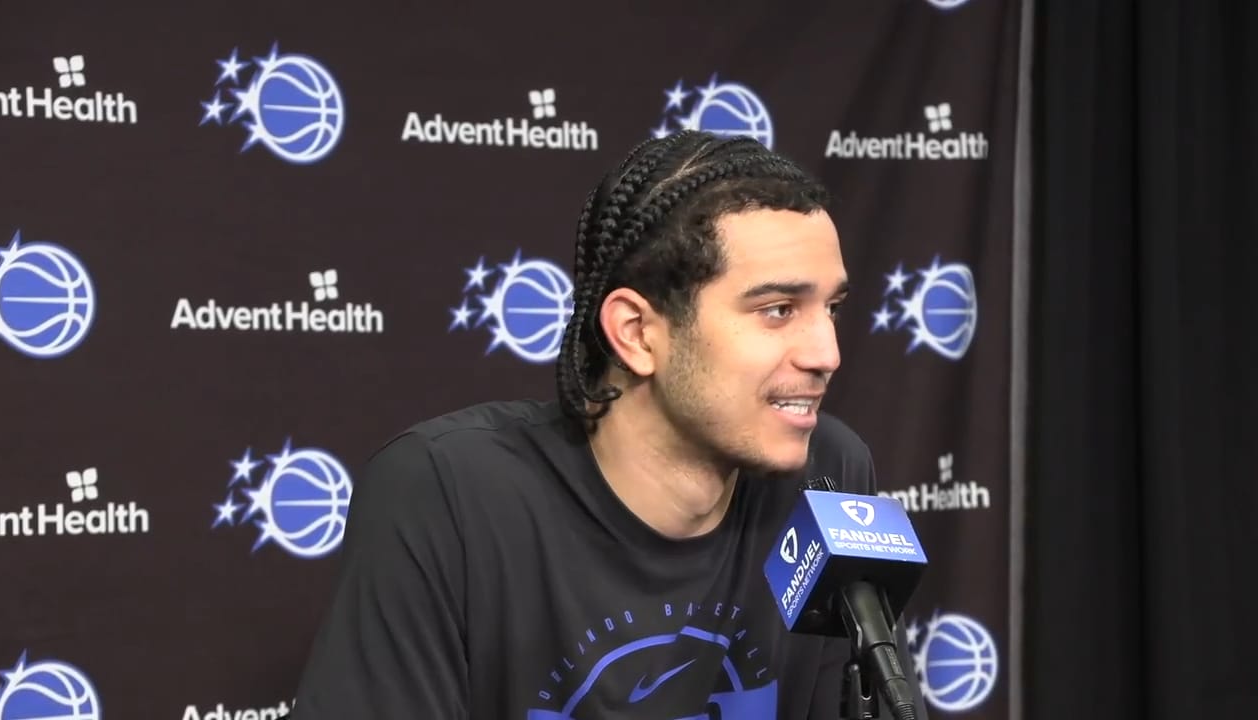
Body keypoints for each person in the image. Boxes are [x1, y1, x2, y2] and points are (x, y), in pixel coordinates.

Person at [288, 130, 927, 719]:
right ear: (637, 332)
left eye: (831, 308)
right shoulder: (448, 494)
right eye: (779, 309)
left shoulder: (828, 475)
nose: (826, 354)